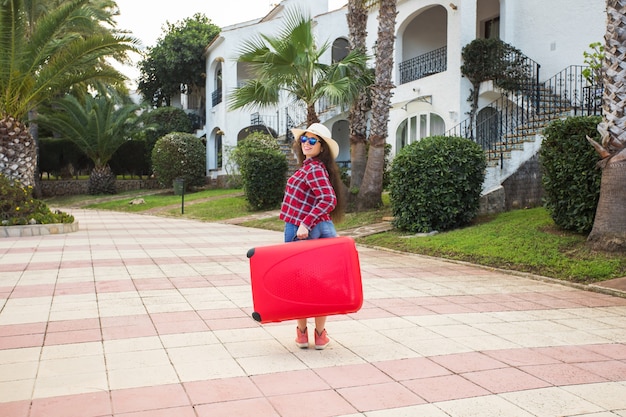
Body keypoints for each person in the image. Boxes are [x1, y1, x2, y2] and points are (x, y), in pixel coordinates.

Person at [279, 122, 345, 350]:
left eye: (312, 140)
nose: (306, 143)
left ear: (322, 147)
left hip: (302, 230)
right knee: (312, 282)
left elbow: (328, 199)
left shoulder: (314, 168)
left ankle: (308, 333)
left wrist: (305, 222)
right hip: (298, 228)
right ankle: (313, 334)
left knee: (305, 283)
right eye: (303, 139)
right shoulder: (308, 167)